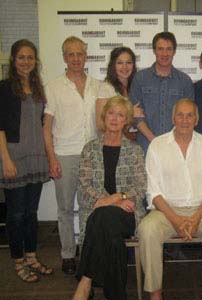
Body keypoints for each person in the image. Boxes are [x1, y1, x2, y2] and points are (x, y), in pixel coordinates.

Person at [138, 99, 202, 300]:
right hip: (166, 210)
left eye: (190, 115)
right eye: (180, 115)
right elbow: (154, 192)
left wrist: (195, 218)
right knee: (147, 229)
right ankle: (155, 293)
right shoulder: (157, 146)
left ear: (197, 119)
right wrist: (177, 220)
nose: (185, 120)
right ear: (172, 118)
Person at [72, 96, 146, 300]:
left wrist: (116, 198)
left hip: (127, 212)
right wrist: (106, 201)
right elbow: (84, 185)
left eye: (120, 115)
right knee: (112, 238)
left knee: (103, 217)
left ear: (126, 121)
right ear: (104, 118)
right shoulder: (90, 148)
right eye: (111, 113)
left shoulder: (134, 150)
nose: (115, 118)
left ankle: (85, 282)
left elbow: (140, 187)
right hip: (98, 211)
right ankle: (116, 295)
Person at [43, 36, 101, 275]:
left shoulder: (97, 86)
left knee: (90, 207)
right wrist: (52, 159)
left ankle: (88, 252)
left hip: (92, 156)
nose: (76, 58)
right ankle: (68, 254)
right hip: (64, 154)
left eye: (80, 54)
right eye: (71, 54)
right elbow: (46, 127)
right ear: (64, 57)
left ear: (85, 56)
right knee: (66, 208)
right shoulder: (54, 87)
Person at [0, 39, 53, 282]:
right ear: (13, 60)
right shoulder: (4, 88)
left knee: (31, 212)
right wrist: (6, 159)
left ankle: (31, 256)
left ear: (35, 61)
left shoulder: (39, 87)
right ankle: (18, 261)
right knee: (16, 214)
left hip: (36, 157)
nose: (26, 61)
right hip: (14, 157)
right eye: (21, 57)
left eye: (30, 57)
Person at [129, 31, 194, 152]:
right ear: (154, 51)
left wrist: (170, 143)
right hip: (146, 146)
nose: (165, 53)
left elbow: (187, 118)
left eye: (169, 49)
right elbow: (136, 116)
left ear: (174, 51)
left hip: (175, 147)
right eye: (160, 49)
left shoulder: (185, 81)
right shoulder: (140, 78)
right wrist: (154, 140)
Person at [95, 47, 142, 138]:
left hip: (133, 143)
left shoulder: (136, 87)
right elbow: (101, 125)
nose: (124, 67)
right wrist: (131, 115)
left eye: (128, 63)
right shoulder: (106, 89)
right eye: (120, 63)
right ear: (113, 66)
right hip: (113, 144)